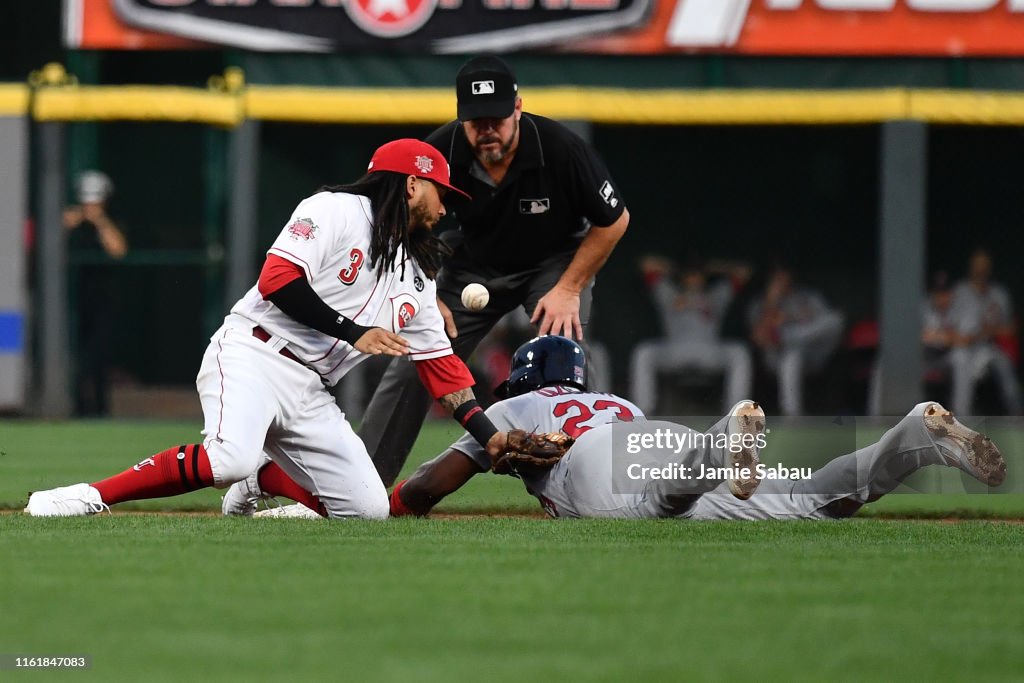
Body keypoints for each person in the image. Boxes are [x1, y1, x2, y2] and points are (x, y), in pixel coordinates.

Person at [25, 139, 527, 518]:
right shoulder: (332, 210)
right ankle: (89, 496)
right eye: (442, 192)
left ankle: (264, 480)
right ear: (413, 183)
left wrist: (491, 437)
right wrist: (353, 332)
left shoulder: (417, 276)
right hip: (254, 354)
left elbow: (444, 372)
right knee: (227, 460)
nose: (446, 207)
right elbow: (277, 280)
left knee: (368, 510)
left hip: (312, 391)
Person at [263, 335, 1005, 522]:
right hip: (657, 434)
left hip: (602, 460)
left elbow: (425, 490)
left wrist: (384, 505)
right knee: (813, 498)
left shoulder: (516, 409)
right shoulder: (615, 398)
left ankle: (726, 441)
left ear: (521, 380)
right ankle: (914, 435)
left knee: (658, 504)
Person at [358, 55, 630, 487]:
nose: (486, 130)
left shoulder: (560, 149)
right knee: (417, 358)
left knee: (563, 355)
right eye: (475, 120)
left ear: (518, 108)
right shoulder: (444, 150)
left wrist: (569, 287)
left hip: (552, 264)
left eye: (496, 119)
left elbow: (614, 220)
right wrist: (424, 294)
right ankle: (362, 484)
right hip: (472, 266)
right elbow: (402, 222)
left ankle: (593, 481)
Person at [630, 255, 753, 414]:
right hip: (675, 351)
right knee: (644, 352)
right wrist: (680, 268)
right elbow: (646, 265)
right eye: (691, 274)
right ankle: (643, 412)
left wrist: (710, 267)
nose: (694, 278)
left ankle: (737, 414)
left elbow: (744, 272)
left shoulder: (716, 295)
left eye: (698, 275)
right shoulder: (669, 292)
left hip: (709, 351)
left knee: (739, 351)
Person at [64, 170, 129, 416]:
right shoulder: (73, 221)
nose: (91, 206)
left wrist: (99, 220)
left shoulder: (110, 223)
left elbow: (118, 250)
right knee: (74, 358)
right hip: (72, 300)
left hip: (102, 300)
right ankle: (75, 408)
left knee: (100, 356)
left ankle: (101, 410)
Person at [747, 266, 844, 416]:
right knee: (792, 354)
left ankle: (790, 337)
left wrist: (794, 322)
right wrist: (771, 302)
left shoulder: (807, 296)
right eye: (777, 278)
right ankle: (792, 415)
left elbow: (831, 324)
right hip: (776, 357)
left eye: (785, 275)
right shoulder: (760, 302)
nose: (782, 281)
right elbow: (759, 339)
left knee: (836, 319)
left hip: (812, 353)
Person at [946, 248, 1022, 416]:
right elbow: (948, 326)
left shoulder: (999, 294)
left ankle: (1017, 416)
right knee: (961, 361)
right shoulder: (960, 291)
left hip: (987, 348)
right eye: (977, 265)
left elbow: (1010, 329)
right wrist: (962, 337)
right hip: (961, 349)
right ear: (971, 267)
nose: (981, 270)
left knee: (1003, 363)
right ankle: (961, 418)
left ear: (990, 268)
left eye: (984, 266)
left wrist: (989, 330)